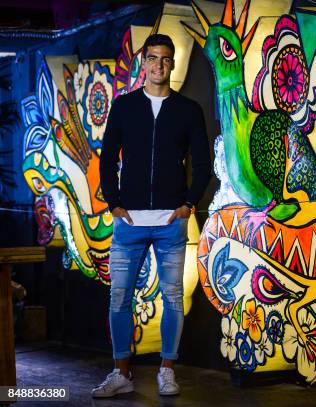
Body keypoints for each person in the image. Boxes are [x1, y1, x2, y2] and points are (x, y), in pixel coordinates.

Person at [93, 33, 210, 398]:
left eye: (165, 59)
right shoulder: (125, 107)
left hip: (170, 223)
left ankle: (167, 370)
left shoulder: (188, 109)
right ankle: (121, 373)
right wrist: (113, 203)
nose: (159, 65)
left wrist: (188, 205)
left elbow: (203, 163)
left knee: (173, 297)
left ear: (172, 64)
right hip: (129, 222)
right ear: (144, 63)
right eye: (153, 58)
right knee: (119, 298)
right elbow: (108, 157)